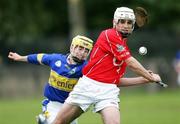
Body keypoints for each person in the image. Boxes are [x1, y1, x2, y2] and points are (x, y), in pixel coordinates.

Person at [54, 7, 162, 124]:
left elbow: (114, 81)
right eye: (122, 21)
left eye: (129, 22)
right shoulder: (108, 34)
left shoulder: (123, 44)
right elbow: (131, 63)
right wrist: (149, 76)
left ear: (133, 25)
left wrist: (144, 79)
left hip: (108, 91)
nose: (126, 25)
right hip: (88, 86)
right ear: (115, 22)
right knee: (59, 122)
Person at [8, 35, 94, 124]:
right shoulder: (56, 59)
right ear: (72, 47)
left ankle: (43, 121)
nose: (83, 52)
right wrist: (21, 58)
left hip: (70, 107)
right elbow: (39, 57)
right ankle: (45, 121)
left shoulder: (87, 68)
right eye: (80, 48)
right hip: (53, 105)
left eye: (86, 51)